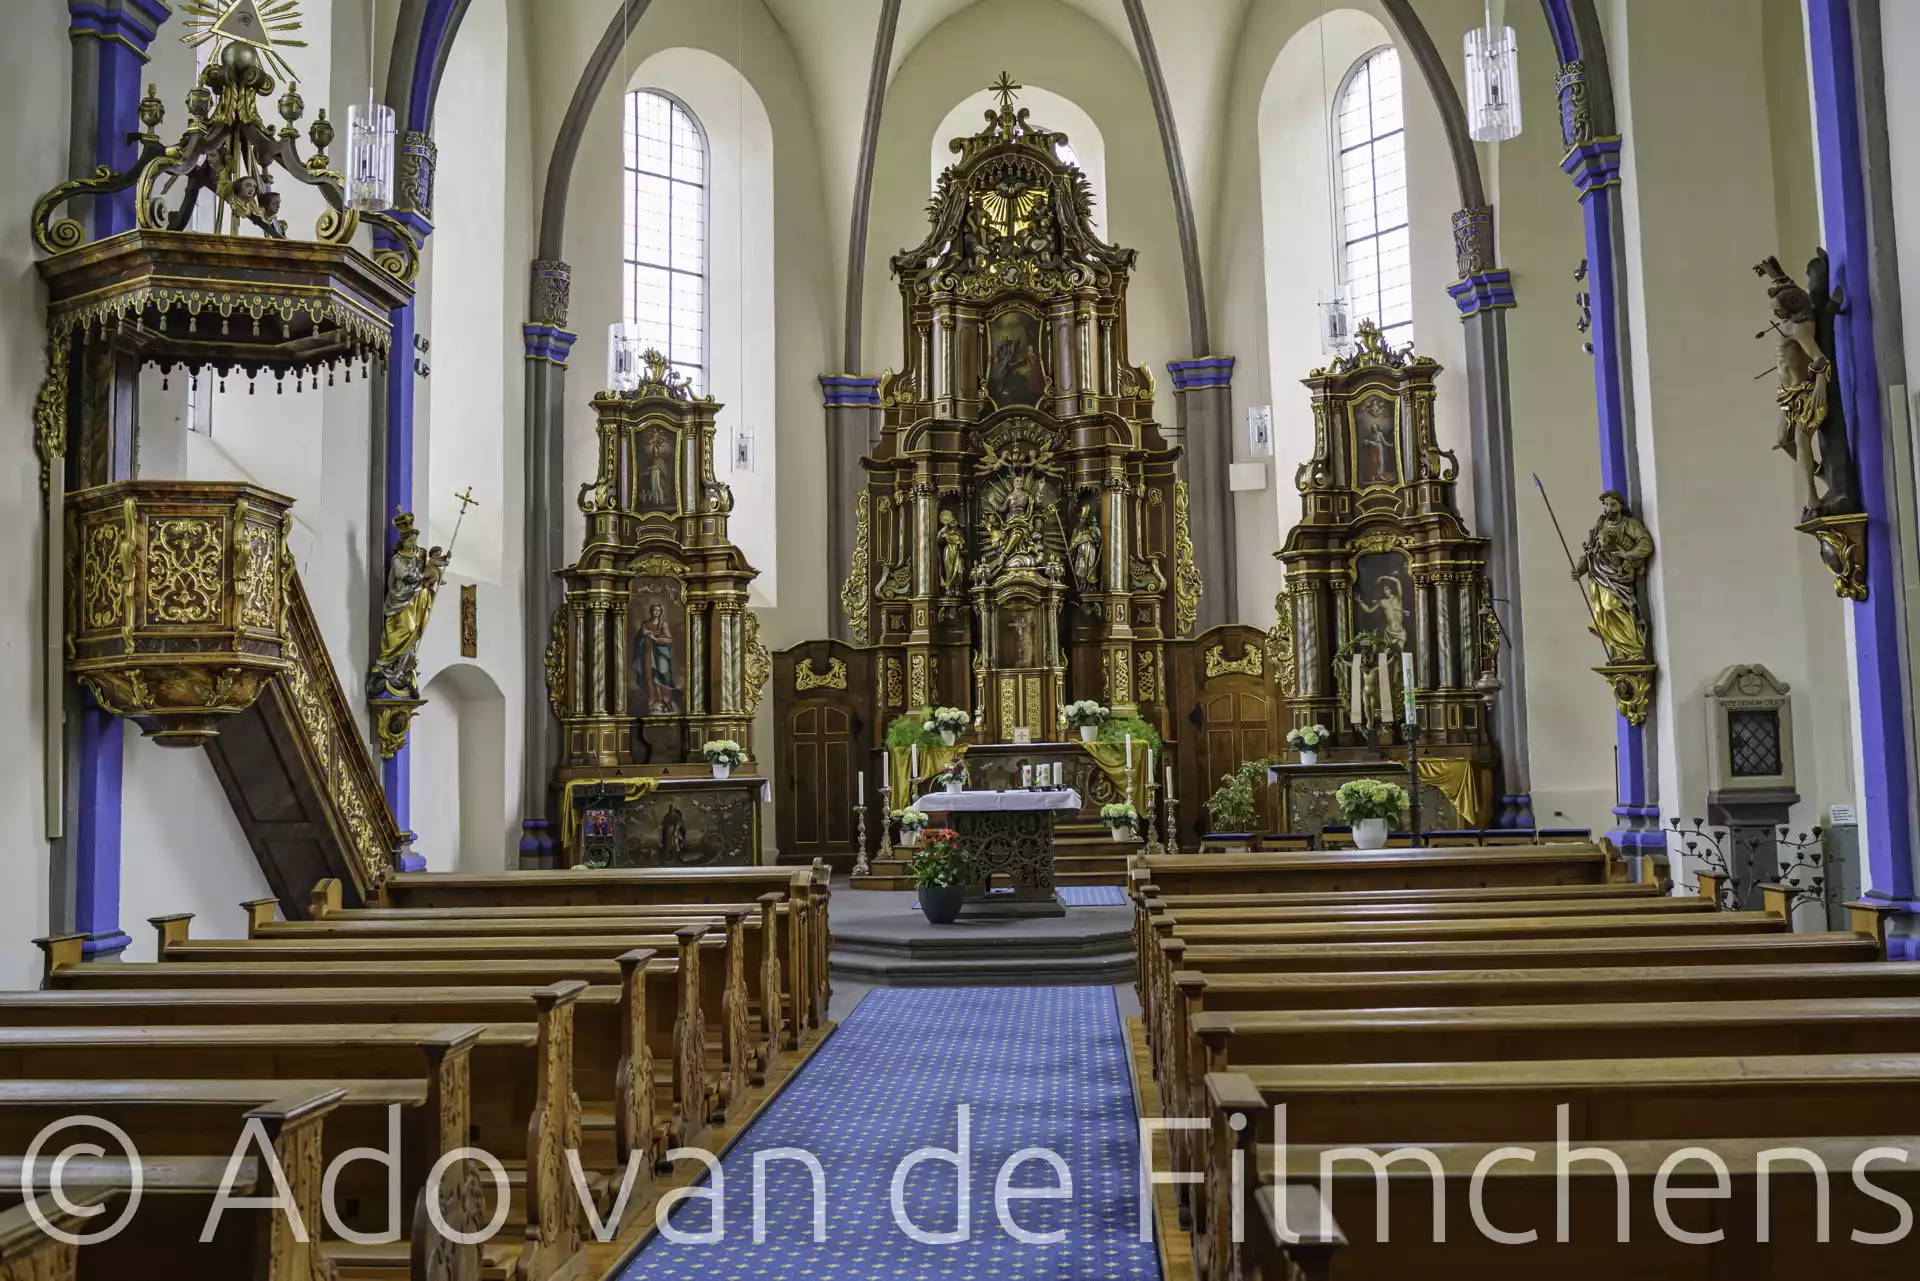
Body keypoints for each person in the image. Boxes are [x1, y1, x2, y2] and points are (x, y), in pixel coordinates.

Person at [1572, 490, 1655, 664]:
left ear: (1620, 506)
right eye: (1606, 505)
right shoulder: (1600, 525)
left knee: (1614, 607)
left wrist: (1627, 554)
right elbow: (1590, 551)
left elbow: (1645, 544)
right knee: (1603, 612)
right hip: (1599, 575)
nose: (1609, 509)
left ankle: (1634, 649)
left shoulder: (1629, 524)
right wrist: (1579, 570)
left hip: (1618, 577)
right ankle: (1620, 652)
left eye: (1613, 505)